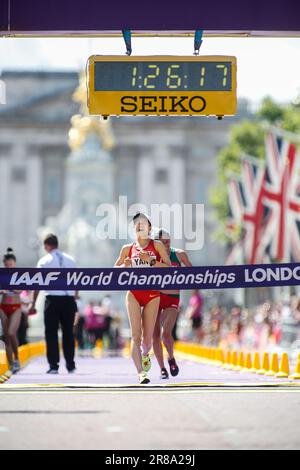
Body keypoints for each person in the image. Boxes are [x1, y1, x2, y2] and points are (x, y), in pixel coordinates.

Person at [115, 212, 171, 384]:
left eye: (143, 224)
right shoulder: (127, 249)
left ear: (150, 228)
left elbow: (169, 268)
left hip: (152, 294)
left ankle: (145, 353)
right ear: (134, 228)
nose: (140, 227)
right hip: (133, 293)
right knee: (135, 336)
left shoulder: (157, 246)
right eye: (137, 225)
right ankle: (141, 373)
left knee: (147, 338)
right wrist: (123, 267)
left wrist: (151, 261)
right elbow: (112, 271)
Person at [30, 234, 78, 374]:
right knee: (68, 333)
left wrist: (33, 303)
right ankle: (70, 365)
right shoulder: (71, 260)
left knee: (51, 333)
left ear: (46, 246)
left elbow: (38, 283)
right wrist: (74, 298)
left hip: (52, 300)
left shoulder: (44, 261)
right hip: (68, 300)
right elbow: (77, 281)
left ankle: (53, 366)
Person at [153, 229, 193, 379]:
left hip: (172, 298)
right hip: (156, 297)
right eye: (162, 243)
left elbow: (194, 274)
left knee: (166, 333)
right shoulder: (153, 257)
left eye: (167, 241)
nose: (166, 245)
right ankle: (162, 368)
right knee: (155, 335)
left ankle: (170, 357)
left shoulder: (179, 254)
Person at [0, 248, 22, 374]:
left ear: (14, 263)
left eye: (11, 265)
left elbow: (25, 289)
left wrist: (16, 289)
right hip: (3, 307)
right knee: (6, 337)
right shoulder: (2, 275)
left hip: (15, 307)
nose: (9, 267)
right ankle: (11, 364)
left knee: (11, 332)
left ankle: (17, 359)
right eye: (7, 265)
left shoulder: (20, 274)